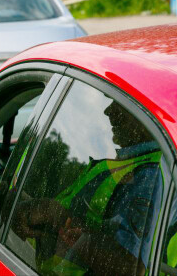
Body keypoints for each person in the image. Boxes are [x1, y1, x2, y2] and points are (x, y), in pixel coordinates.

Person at [11, 101, 163, 275]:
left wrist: (56, 215)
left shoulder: (149, 175)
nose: (108, 111)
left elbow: (130, 269)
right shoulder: (127, 164)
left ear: (150, 111)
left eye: (121, 104)